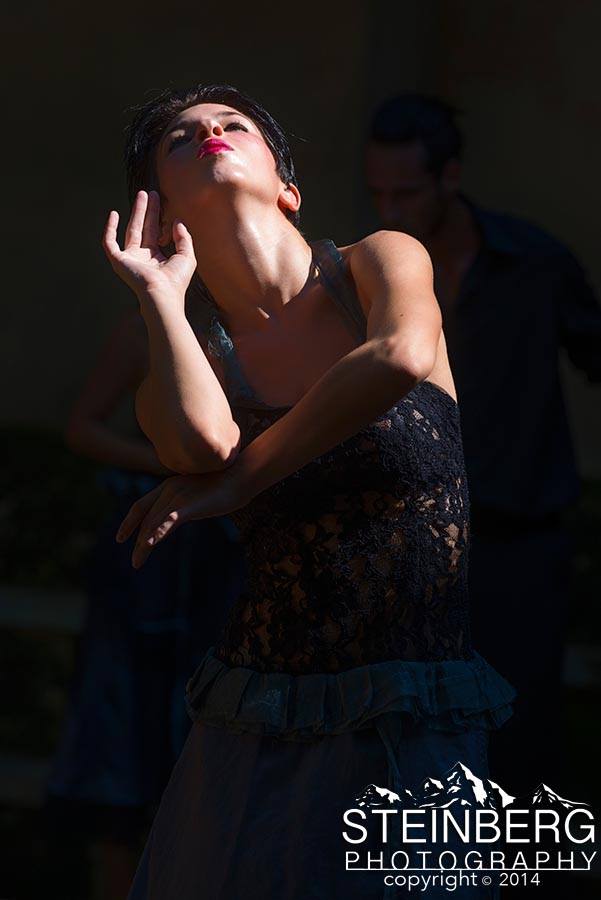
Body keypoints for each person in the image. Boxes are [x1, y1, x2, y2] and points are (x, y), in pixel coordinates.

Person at [102, 82, 515, 899]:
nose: (210, 133)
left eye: (232, 124)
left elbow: (396, 358)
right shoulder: (187, 349)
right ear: (161, 211)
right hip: (262, 707)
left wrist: (238, 486)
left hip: (414, 695)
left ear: (288, 188)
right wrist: (159, 296)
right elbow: (201, 444)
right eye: (180, 139)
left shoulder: (378, 261)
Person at [364, 93, 601, 797]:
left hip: (521, 541)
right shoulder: (367, 275)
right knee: (411, 746)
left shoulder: (532, 262)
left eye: (404, 193)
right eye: (377, 193)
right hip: (411, 548)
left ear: (450, 178)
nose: (388, 211)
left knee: (523, 745)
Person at [43, 307, 246, 899]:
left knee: (210, 715)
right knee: (121, 719)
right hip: (150, 557)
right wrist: (170, 464)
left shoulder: (266, 326)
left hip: (224, 551)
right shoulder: (139, 331)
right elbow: (84, 427)